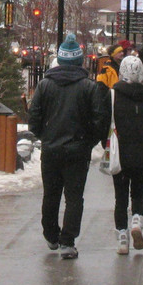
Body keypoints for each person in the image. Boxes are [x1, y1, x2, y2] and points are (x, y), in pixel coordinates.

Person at [27, 32, 110, 260]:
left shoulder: (45, 85)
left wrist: (46, 136)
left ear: (61, 60)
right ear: (79, 61)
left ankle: (51, 235)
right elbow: (99, 120)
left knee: (50, 194)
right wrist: (88, 141)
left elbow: (33, 119)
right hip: (77, 150)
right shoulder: (89, 87)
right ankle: (68, 241)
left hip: (51, 150)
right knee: (74, 197)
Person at [110, 54, 143, 254]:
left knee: (120, 196)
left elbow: (106, 123)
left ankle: (122, 238)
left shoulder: (114, 95)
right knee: (139, 191)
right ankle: (136, 220)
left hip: (121, 153)